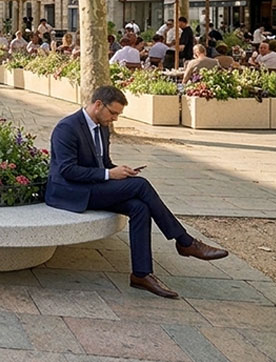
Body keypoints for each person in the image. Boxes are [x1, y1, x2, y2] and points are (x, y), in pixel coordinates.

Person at [46, 86, 227, 299]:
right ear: (98, 105)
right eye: (113, 113)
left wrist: (120, 171)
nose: (114, 119)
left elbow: (104, 163)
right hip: (70, 192)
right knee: (140, 186)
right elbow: (67, 170)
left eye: (117, 115)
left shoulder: (102, 128)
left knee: (139, 207)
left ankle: (141, 275)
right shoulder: (67, 128)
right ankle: (185, 242)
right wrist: (109, 174)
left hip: (93, 187)